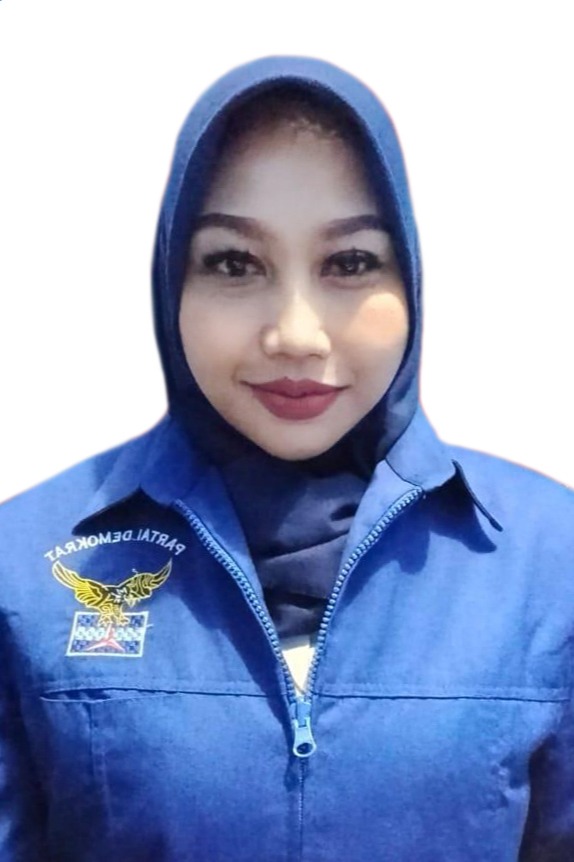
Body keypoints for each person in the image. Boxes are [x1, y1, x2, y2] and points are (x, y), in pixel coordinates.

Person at [1, 54, 573, 862]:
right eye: (235, 263)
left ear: (410, 279)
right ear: (171, 284)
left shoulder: (548, 559)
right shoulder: (27, 563)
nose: (297, 334)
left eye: (350, 263)